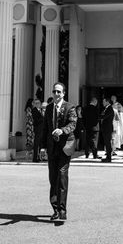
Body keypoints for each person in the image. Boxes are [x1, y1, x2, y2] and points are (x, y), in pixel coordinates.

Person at [40, 82, 77, 221]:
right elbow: (45, 129)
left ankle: (62, 210)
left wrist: (62, 130)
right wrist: (43, 147)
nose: (56, 94)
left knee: (62, 177)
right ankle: (55, 209)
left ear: (63, 93)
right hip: (51, 148)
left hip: (64, 147)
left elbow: (72, 124)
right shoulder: (49, 109)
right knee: (53, 178)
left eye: (59, 92)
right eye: (54, 91)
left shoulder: (70, 107)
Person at [99, 97, 115, 162]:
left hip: (108, 128)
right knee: (106, 143)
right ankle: (107, 156)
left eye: (104, 102)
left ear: (107, 102)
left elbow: (105, 116)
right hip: (105, 128)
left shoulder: (110, 109)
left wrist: (98, 117)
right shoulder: (106, 108)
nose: (103, 103)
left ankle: (109, 158)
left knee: (108, 143)